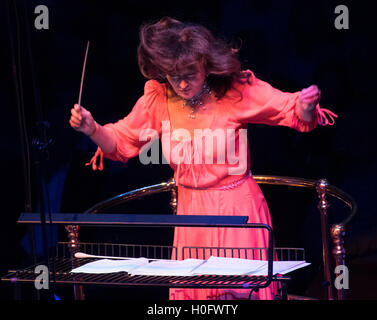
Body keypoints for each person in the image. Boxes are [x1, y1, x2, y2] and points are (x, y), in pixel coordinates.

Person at [69, 17, 337, 300]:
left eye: (190, 73)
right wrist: (93, 129)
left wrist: (307, 106)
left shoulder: (235, 90)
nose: (182, 83)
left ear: (206, 66)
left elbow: (291, 110)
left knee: (236, 296)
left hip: (238, 213)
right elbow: (121, 141)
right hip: (191, 218)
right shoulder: (158, 98)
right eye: (173, 75)